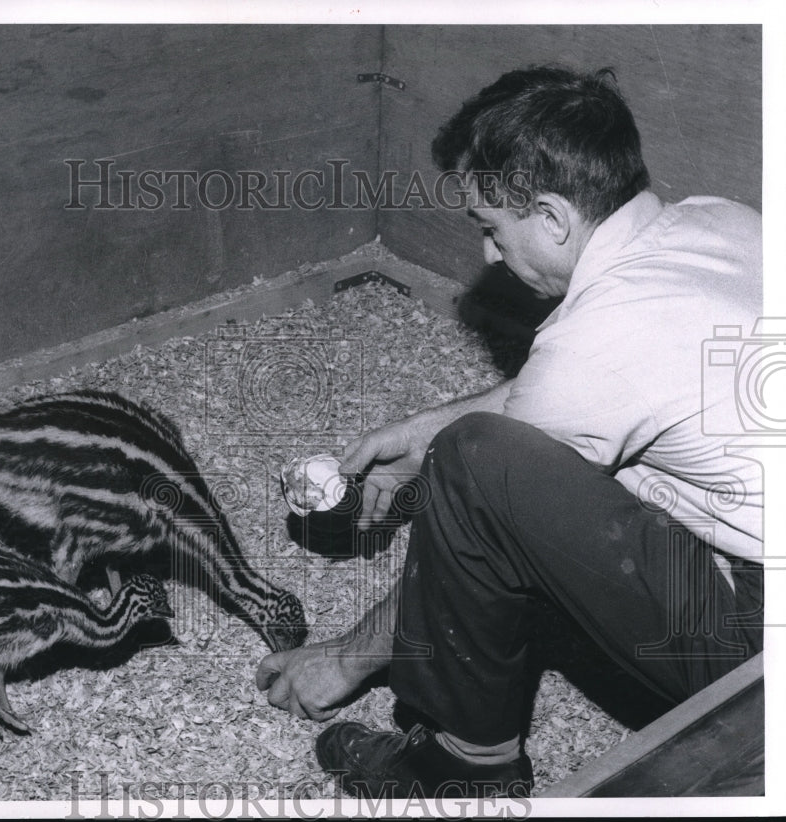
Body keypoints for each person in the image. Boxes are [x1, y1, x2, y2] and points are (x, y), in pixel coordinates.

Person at [255, 65, 764, 799]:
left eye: (493, 229)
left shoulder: (596, 346)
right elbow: (599, 387)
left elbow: (520, 445)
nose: (490, 254)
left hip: (758, 673)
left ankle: (467, 763)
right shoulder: (722, 220)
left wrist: (345, 659)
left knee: (476, 461)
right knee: (483, 448)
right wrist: (424, 428)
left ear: (553, 217)